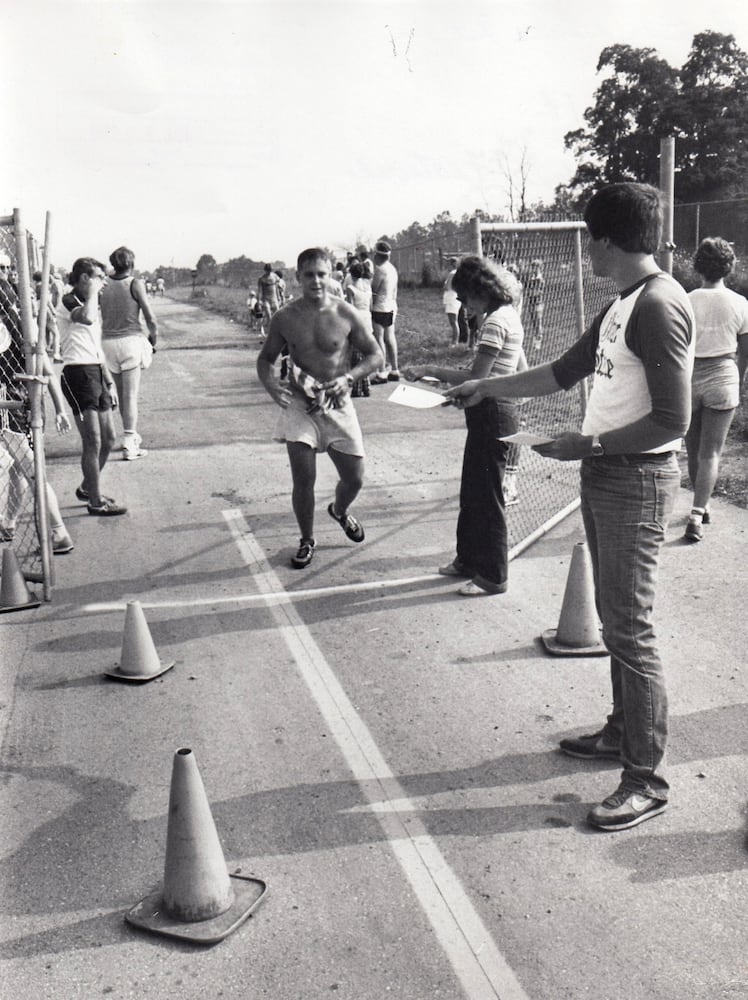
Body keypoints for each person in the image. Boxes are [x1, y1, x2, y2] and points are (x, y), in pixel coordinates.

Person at [446, 182, 694, 831]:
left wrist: (590, 444)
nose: (586, 250)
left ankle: (646, 779)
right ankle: (621, 731)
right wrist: (485, 385)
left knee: (630, 629)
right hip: (608, 472)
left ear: (606, 239)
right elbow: (561, 371)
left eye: (589, 238)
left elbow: (675, 419)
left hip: (635, 478)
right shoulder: (625, 303)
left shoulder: (659, 306)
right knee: (615, 624)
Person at [405, 256, 525, 596]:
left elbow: (477, 378)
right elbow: (516, 367)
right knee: (473, 490)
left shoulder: (494, 322)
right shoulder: (507, 316)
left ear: (479, 290)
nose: (462, 304)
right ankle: (468, 560)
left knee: (486, 496)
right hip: (493, 409)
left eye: (465, 297)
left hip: (493, 412)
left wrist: (431, 369)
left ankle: (493, 575)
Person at [256, 247, 382, 568]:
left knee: (355, 478)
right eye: (309, 275)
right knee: (304, 479)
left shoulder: (346, 313)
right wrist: (272, 386)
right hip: (301, 406)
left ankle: (339, 511)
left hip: (338, 403)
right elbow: (265, 359)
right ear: (297, 277)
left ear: (331, 276)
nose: (316, 281)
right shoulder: (284, 317)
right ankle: (307, 539)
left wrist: (349, 378)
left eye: (322, 274)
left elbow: (375, 356)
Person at [0, 255, 74, 552]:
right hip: (25, 400)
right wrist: (59, 407)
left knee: (29, 470)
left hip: (10, 402)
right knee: (23, 470)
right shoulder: (25, 324)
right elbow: (46, 367)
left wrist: (59, 407)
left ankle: (57, 531)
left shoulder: (8, 328)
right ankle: (9, 523)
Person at [683, 237, 748, 542]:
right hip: (724, 375)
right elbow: (744, 353)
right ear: (729, 267)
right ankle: (698, 513)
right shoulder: (740, 302)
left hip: (690, 377)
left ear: (698, 266)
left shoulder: (687, 299)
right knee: (712, 452)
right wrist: (738, 381)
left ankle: (700, 505)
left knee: (694, 450)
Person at [59, 257, 127, 516]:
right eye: (99, 277)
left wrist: (108, 378)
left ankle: (89, 487)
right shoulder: (69, 300)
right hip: (77, 372)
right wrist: (93, 291)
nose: (104, 282)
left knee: (109, 439)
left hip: (96, 370)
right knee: (93, 440)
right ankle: (96, 502)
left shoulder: (90, 300)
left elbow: (94, 343)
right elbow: (86, 319)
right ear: (85, 278)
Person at [99, 247, 158, 461]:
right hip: (130, 341)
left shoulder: (103, 284)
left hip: (107, 343)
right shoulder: (135, 283)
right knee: (130, 395)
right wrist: (154, 339)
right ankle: (129, 442)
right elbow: (150, 318)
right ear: (131, 264)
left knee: (123, 395)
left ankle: (129, 436)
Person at [344, 261, 374, 397]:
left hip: (356, 319)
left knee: (355, 355)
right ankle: (366, 386)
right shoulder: (368, 286)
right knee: (365, 353)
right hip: (367, 317)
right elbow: (371, 305)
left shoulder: (350, 288)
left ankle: (357, 387)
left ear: (351, 274)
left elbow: (350, 309)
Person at [442, 257, 461, 348]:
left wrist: (444, 286)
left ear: (452, 264)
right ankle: (455, 340)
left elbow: (447, 287)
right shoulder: (455, 273)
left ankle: (455, 341)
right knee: (454, 321)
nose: (446, 265)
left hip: (452, 298)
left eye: (448, 263)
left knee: (453, 321)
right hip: (453, 298)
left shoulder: (452, 274)